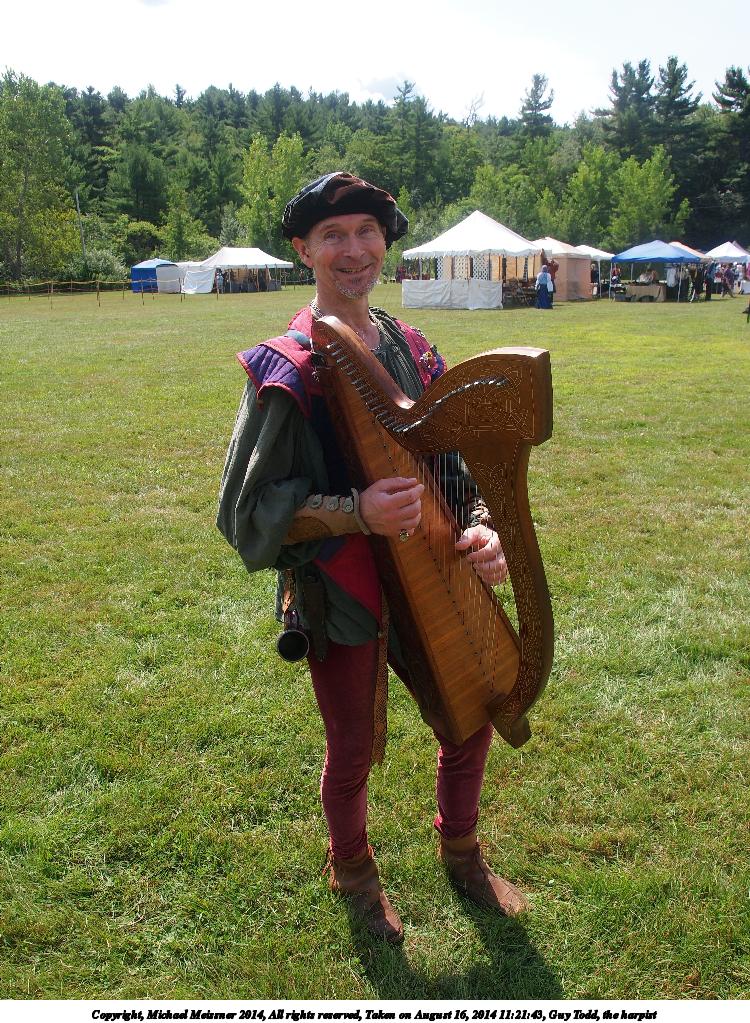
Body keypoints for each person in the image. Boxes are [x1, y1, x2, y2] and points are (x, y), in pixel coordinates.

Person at [216, 172, 529, 944]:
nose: (353, 250)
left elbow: (450, 463)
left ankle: (462, 850)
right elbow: (246, 513)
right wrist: (356, 511)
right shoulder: (287, 365)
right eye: (333, 236)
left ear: (385, 243)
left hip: (433, 567)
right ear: (303, 250)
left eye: (366, 232)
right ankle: (353, 869)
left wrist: (481, 524)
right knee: (353, 745)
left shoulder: (410, 346)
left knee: (474, 711)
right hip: (341, 584)